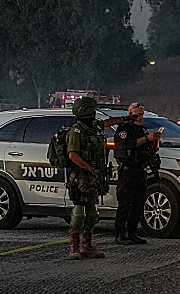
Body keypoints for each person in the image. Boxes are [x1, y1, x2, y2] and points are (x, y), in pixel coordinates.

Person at [66, 97, 126, 260]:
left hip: (93, 178)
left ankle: (87, 246)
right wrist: (90, 168)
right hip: (81, 178)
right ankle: (75, 246)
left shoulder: (93, 127)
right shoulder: (76, 132)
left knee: (92, 213)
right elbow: (73, 155)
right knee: (79, 214)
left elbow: (106, 123)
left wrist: (123, 119)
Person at [113, 102, 161, 245]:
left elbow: (151, 149)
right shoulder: (124, 129)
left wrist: (155, 140)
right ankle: (120, 233)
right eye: (138, 114)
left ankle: (132, 232)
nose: (140, 117)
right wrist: (147, 138)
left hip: (140, 171)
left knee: (138, 204)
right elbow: (128, 145)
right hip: (128, 171)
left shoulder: (142, 130)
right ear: (130, 114)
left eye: (142, 114)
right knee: (125, 204)